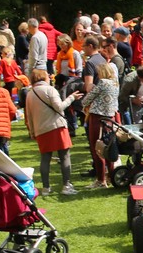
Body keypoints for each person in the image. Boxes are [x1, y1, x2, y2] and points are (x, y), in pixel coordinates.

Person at [23, 68, 77, 196]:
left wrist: (32, 131)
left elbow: (28, 115)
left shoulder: (30, 94)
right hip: (57, 126)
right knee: (64, 156)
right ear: (43, 77)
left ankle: (46, 188)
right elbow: (59, 107)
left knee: (45, 158)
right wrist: (71, 98)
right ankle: (66, 185)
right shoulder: (50, 90)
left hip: (40, 129)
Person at [81, 61, 120, 189]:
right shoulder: (115, 84)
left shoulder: (103, 82)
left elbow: (86, 100)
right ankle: (111, 176)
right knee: (109, 147)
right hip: (110, 118)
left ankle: (101, 180)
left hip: (97, 118)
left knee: (97, 149)